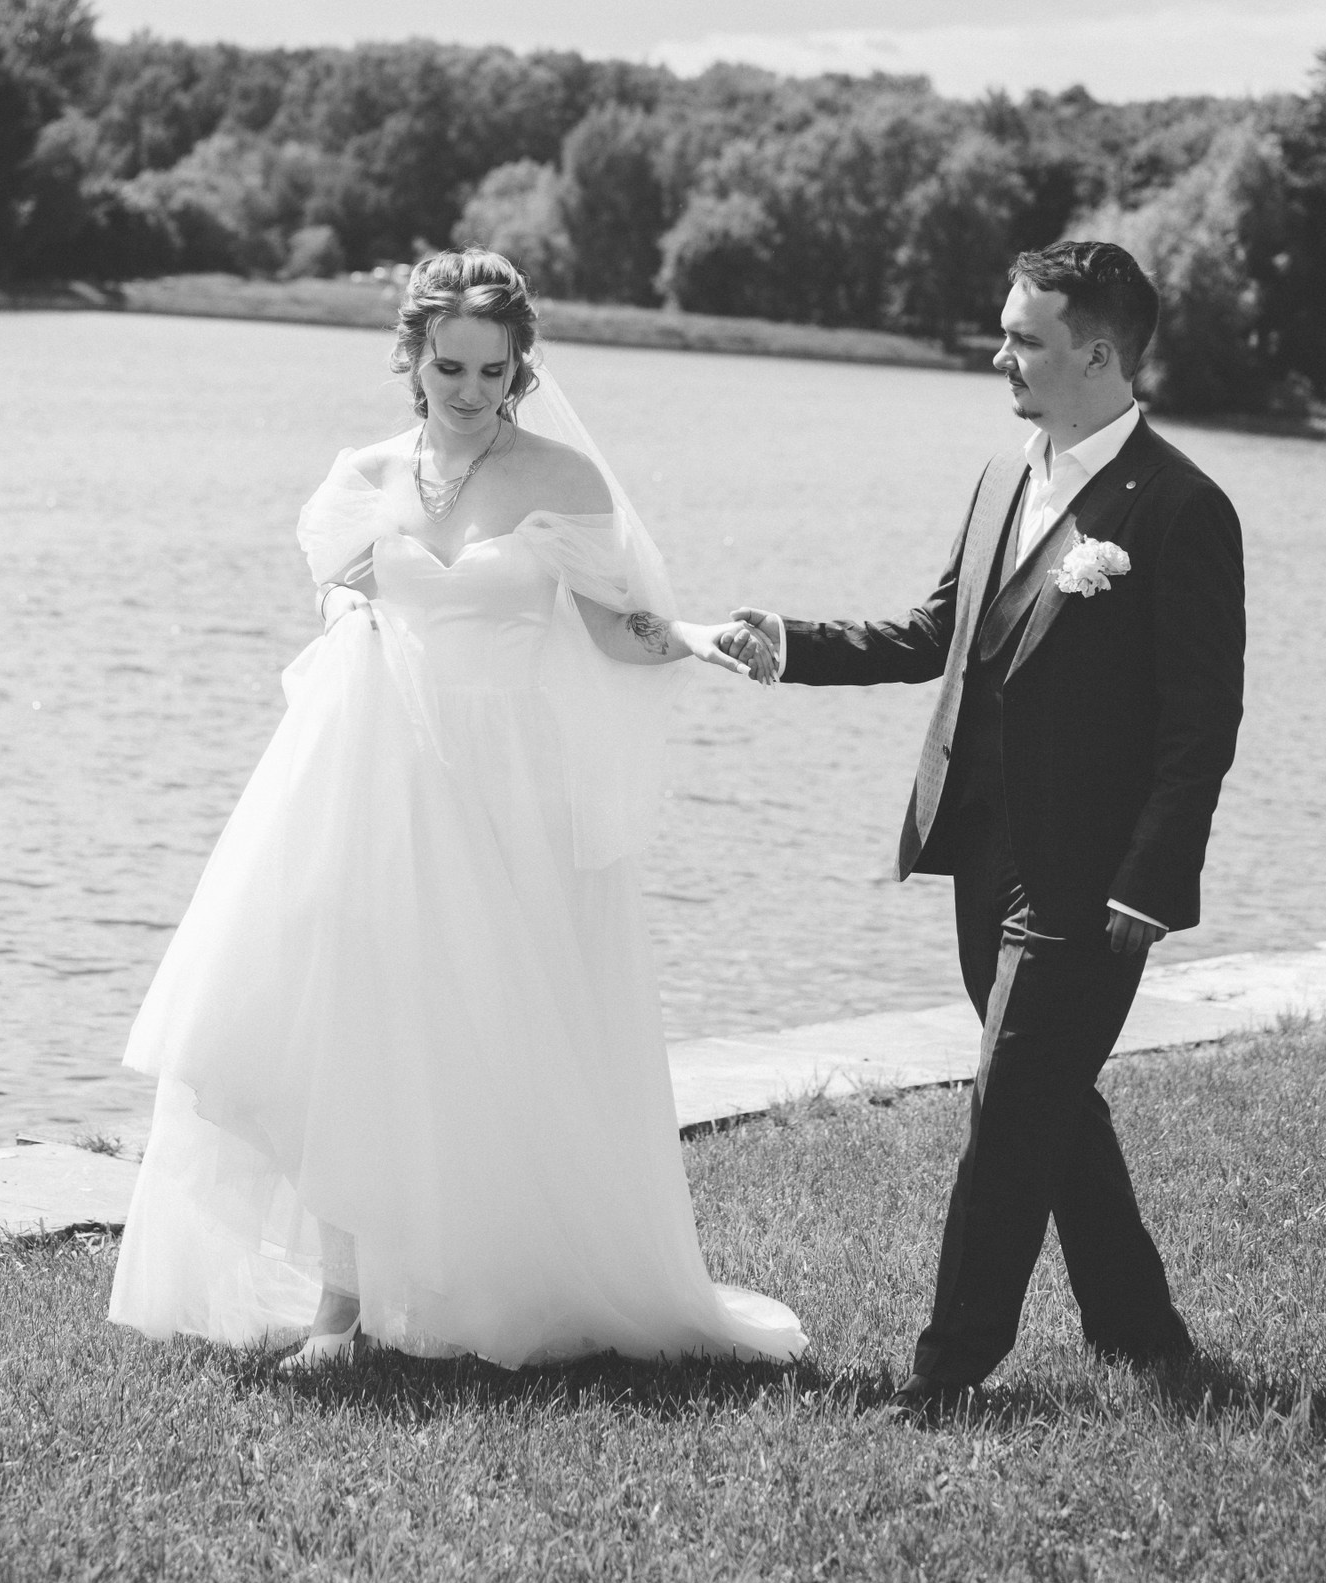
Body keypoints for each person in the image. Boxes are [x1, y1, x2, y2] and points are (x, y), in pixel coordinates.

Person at [109, 246, 803, 1370]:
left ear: (523, 365)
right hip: (370, 771)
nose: (472, 390)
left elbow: (615, 626)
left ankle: (489, 1269)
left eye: (494, 369)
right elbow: (341, 599)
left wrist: (698, 637)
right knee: (346, 1021)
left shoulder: (561, 479)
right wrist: (356, 628)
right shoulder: (362, 476)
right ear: (412, 357)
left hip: (504, 784)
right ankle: (339, 1310)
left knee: (484, 1028)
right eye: (450, 367)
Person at [725, 241, 1244, 1407]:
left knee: (1010, 1109)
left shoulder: (1182, 507)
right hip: (980, 852)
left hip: (1091, 883)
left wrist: (1150, 880)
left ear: (1098, 355)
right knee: (1050, 1096)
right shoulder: (1004, 478)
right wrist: (792, 645)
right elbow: (936, 634)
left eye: (1023, 338)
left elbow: (1201, 722)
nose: (999, 355)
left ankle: (945, 1375)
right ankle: (1140, 1331)